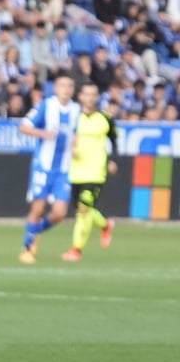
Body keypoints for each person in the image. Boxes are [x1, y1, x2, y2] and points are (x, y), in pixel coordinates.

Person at [17, 74, 79, 264]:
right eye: (62, 85)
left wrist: (76, 146)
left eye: (70, 85)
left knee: (60, 213)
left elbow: (77, 135)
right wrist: (42, 133)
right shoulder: (47, 105)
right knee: (38, 208)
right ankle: (27, 249)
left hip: (63, 169)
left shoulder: (76, 110)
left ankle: (33, 232)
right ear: (55, 88)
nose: (66, 89)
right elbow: (23, 127)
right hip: (43, 166)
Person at [61, 83, 118, 261]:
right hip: (75, 171)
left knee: (83, 209)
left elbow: (115, 141)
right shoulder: (73, 117)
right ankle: (105, 224)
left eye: (94, 94)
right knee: (81, 209)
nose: (90, 97)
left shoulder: (105, 118)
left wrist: (113, 160)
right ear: (80, 97)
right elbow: (64, 138)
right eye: (87, 94)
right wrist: (71, 149)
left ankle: (76, 249)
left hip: (96, 172)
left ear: (97, 97)